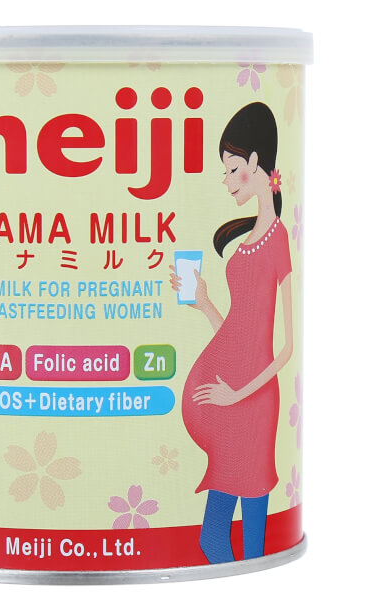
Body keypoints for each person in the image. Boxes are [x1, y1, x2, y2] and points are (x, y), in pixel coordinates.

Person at [169, 102, 293, 564]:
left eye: (231, 167)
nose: (226, 180)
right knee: (213, 538)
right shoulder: (245, 242)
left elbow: (285, 349)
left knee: (255, 545)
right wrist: (204, 303)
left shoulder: (279, 240)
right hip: (229, 405)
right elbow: (239, 336)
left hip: (252, 404)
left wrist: (235, 394)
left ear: (256, 162)